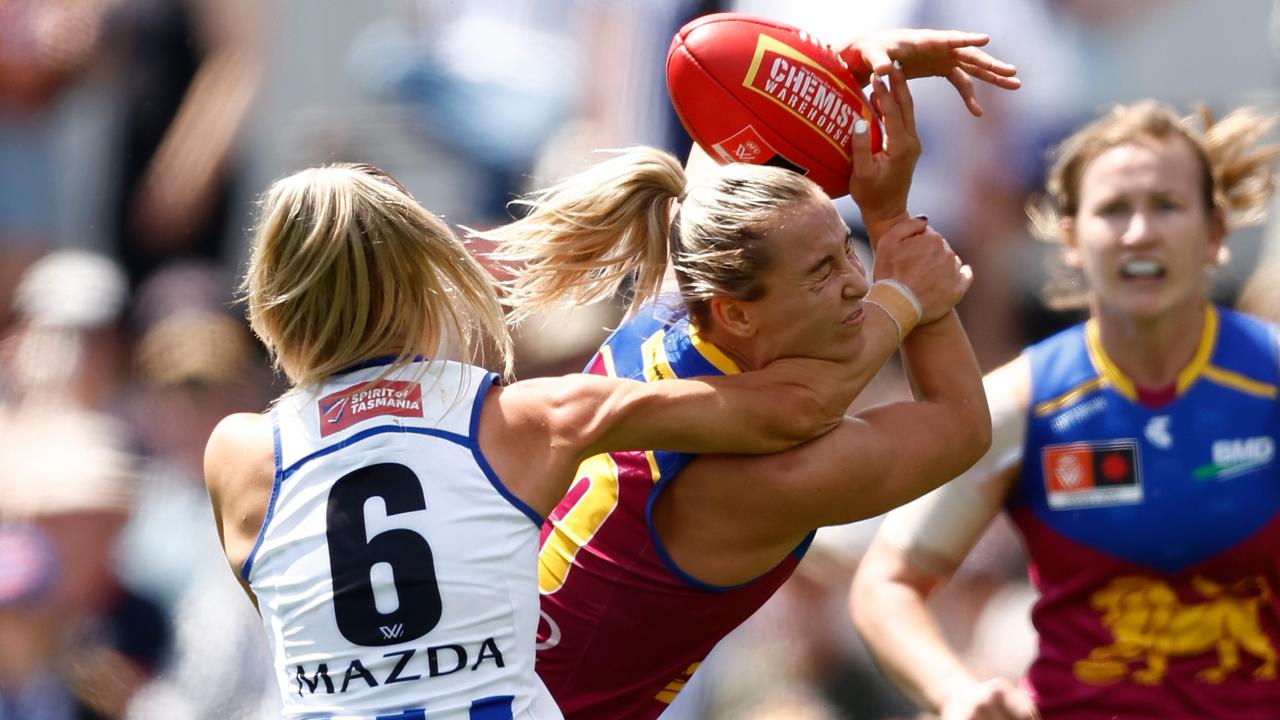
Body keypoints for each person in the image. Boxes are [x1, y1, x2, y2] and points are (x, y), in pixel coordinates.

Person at [204, 162, 915, 719]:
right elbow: (797, 409)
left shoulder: (237, 454)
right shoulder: (527, 419)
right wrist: (903, 297)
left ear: (269, 298)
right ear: (425, 284)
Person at [481, 60, 993, 719]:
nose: (857, 282)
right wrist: (896, 238)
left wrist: (857, 64)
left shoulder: (673, 307)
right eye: (820, 273)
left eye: (848, 249)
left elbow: (724, 110)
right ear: (737, 313)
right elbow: (959, 423)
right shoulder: (759, 483)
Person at [850, 99, 1280, 720]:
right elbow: (884, 585)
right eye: (1113, 210)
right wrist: (955, 690)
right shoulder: (1027, 400)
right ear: (1072, 238)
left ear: (1214, 234)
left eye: (1166, 205)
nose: (1139, 232)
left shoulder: (1267, 380)